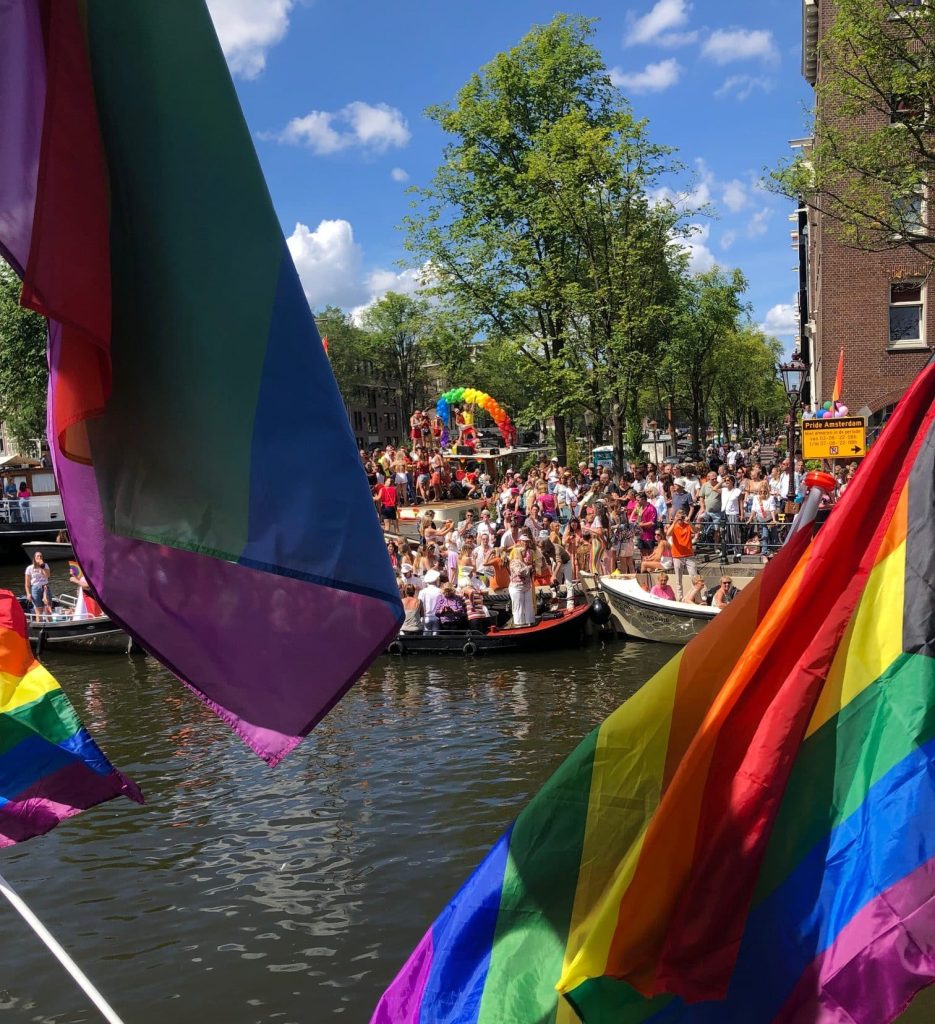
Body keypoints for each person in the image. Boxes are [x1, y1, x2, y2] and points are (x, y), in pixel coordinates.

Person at [665, 510, 699, 600]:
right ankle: (680, 598)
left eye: (682, 517)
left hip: (689, 555)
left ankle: (696, 598)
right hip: (677, 555)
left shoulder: (687, 525)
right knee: (678, 580)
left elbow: (696, 531)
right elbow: (668, 534)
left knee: (694, 577)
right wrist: (675, 522)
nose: (681, 519)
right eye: (679, 517)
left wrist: (689, 522)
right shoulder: (674, 526)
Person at [508, 533, 536, 626]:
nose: (524, 552)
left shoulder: (529, 554)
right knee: (518, 607)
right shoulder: (514, 561)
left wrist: (531, 568)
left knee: (529, 606)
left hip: (527, 585)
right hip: (516, 587)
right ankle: (519, 625)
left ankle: (530, 623)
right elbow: (519, 572)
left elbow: (531, 569)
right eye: (522, 552)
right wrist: (529, 567)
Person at [24, 550, 52, 622]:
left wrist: (42, 566)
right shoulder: (29, 568)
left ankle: (51, 626)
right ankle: (40, 627)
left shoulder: (45, 565)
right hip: (35, 588)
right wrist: (28, 593)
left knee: (48, 610)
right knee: (38, 611)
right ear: (34, 558)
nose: (39, 557)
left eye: (41, 556)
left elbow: (47, 576)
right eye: (38, 556)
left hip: (45, 587)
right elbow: (27, 583)